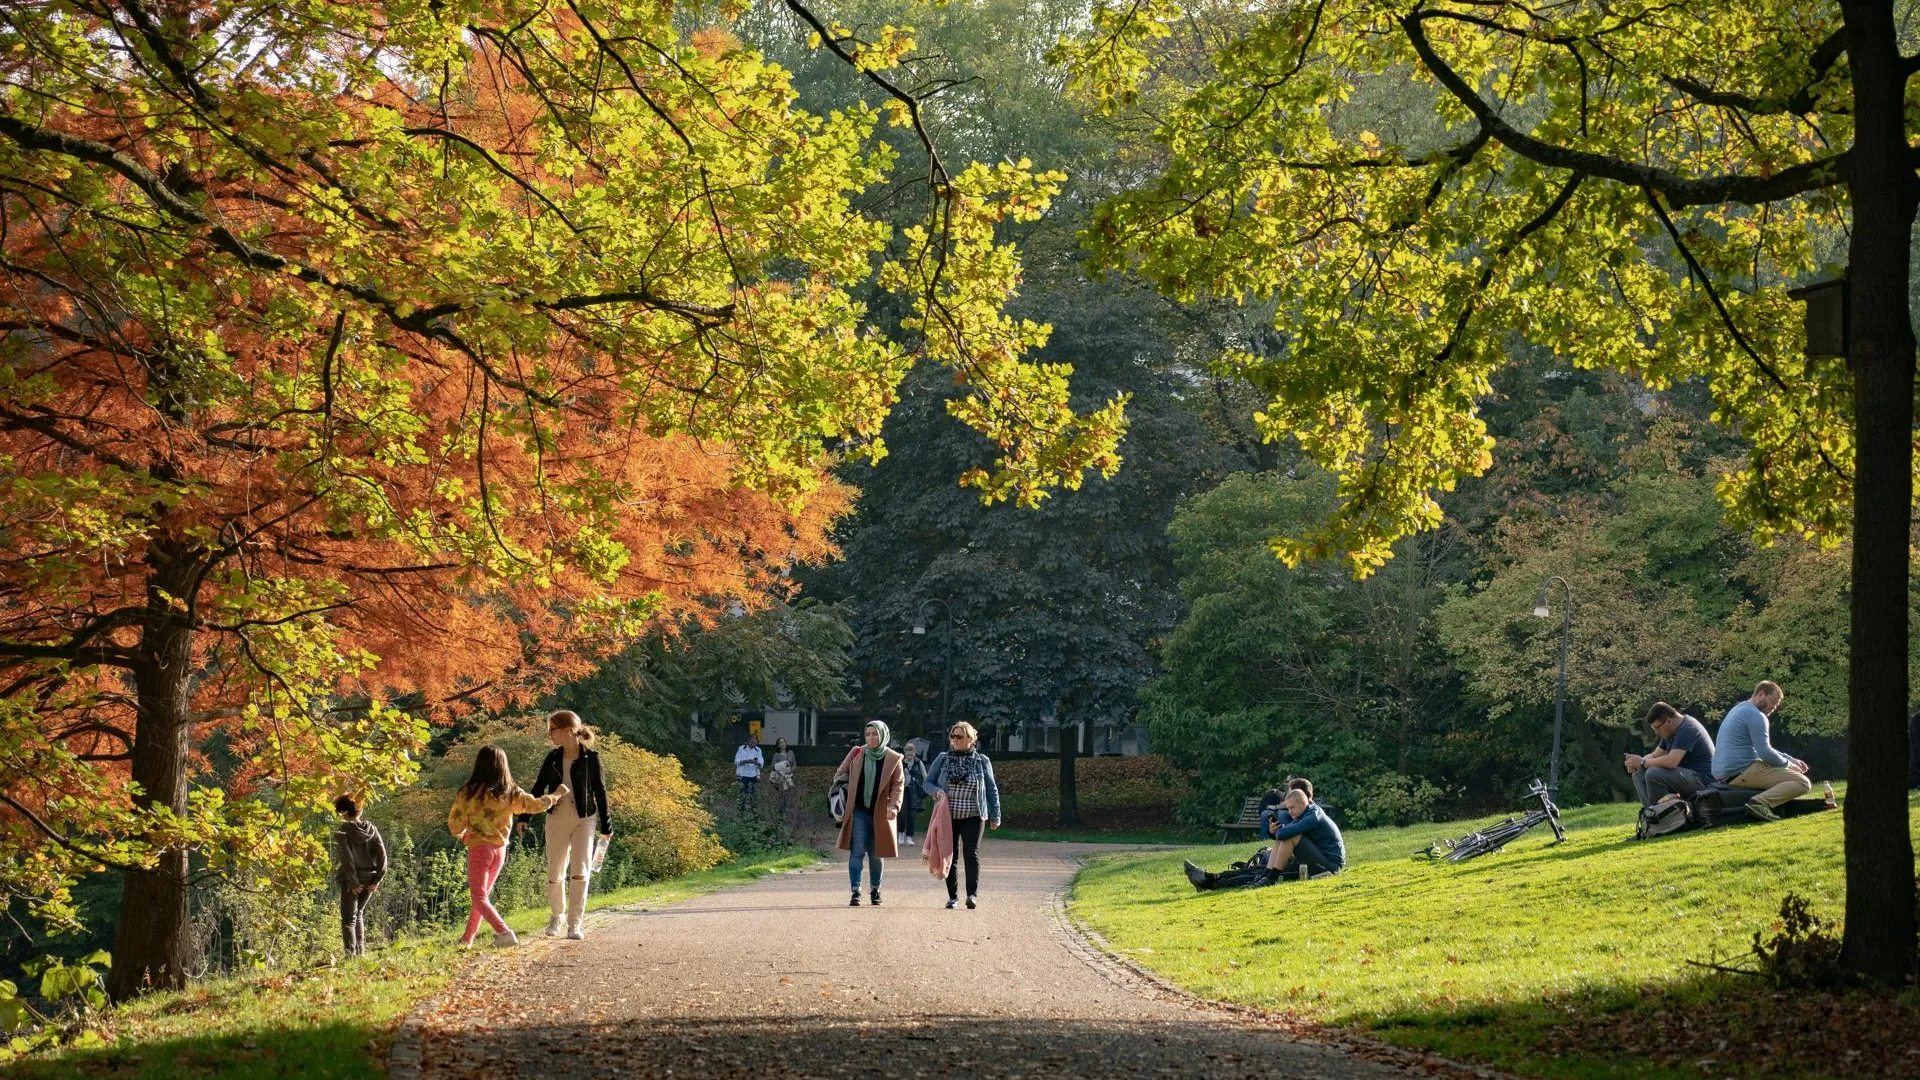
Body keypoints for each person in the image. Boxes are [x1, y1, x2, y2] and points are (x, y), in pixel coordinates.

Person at [449, 745, 566, 948]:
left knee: (479, 897)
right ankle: (467, 940)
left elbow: (455, 824)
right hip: (500, 851)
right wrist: (556, 794)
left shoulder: (469, 793)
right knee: (481, 897)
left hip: (479, 850)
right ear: (503, 766)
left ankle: (504, 932)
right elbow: (535, 805)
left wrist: (462, 834)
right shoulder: (510, 792)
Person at [520, 710, 612, 940]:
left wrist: (606, 826)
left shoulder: (592, 758)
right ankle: (557, 916)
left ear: (567, 730)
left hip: (585, 818)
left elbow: (600, 792)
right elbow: (538, 787)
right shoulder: (552, 758)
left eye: (552, 729)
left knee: (580, 871)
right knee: (555, 870)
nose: (550, 734)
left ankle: (575, 923)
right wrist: (525, 816)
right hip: (557, 815)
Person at [1185, 788, 1344, 890]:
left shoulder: (1313, 816)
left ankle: (1212, 882)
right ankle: (1211, 877)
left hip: (1327, 867)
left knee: (1284, 848)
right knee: (1262, 870)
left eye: (1291, 808)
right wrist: (1274, 833)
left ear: (1303, 803)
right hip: (1312, 860)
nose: (1289, 812)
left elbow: (1286, 835)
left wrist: (1279, 833)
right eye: (1287, 808)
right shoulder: (1306, 812)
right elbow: (1281, 836)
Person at [923, 721, 1001, 910]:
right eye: (953, 736)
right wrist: (937, 792)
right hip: (948, 817)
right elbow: (928, 782)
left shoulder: (982, 762)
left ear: (970, 739)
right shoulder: (943, 759)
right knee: (950, 855)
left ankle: (972, 895)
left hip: (974, 815)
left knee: (971, 853)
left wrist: (995, 815)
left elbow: (991, 790)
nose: (955, 740)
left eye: (959, 737)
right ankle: (953, 897)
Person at [1710, 680, 1813, 822]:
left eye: (1776, 704)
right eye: (1773, 702)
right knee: (1802, 782)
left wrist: (1789, 758)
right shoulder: (1756, 716)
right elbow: (1765, 753)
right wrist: (1789, 765)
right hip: (1740, 771)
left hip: (1727, 771)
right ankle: (1759, 803)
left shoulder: (1740, 709)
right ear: (1761, 694)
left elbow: (1761, 749)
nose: (1774, 707)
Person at [833, 720, 904, 905]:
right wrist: (850, 781)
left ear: (883, 735)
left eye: (875, 734)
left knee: (876, 853)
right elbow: (839, 774)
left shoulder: (894, 758)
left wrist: (894, 806)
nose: (871, 738)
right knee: (856, 852)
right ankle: (855, 891)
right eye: (868, 734)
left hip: (881, 813)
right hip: (858, 811)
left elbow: (898, 786)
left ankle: (875, 890)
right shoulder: (857, 752)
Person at [1626, 702, 1715, 807]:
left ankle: (1663, 816)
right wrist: (1636, 764)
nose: (1656, 732)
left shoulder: (1687, 728)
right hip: (1687, 776)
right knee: (1639, 773)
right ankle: (1650, 814)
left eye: (1657, 728)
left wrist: (1641, 762)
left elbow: (1672, 761)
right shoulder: (1670, 731)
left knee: (1654, 773)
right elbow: (1655, 755)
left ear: (1668, 721)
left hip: (1704, 780)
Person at [332, 794, 387, 957]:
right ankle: (360, 954)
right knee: (359, 914)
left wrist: (353, 882)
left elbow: (347, 858)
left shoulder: (342, 831)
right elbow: (383, 855)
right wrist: (378, 878)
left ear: (342, 812)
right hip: (370, 878)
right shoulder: (371, 828)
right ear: (359, 810)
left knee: (348, 919)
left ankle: (351, 957)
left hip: (352, 881)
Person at [898, 742, 928, 847]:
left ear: (914, 753)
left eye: (912, 755)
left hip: (915, 792)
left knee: (912, 816)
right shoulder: (900, 762)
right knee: (901, 814)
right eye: (908, 754)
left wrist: (927, 788)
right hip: (902, 791)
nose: (910, 757)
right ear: (905, 753)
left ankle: (909, 837)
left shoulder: (919, 763)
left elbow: (925, 777)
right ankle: (900, 834)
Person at [768, 737, 799, 830]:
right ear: (778, 745)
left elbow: (795, 765)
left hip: (789, 778)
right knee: (782, 797)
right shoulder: (776, 755)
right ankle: (780, 817)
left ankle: (788, 818)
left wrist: (790, 771)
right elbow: (772, 767)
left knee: (789, 796)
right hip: (780, 778)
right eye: (780, 742)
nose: (783, 744)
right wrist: (781, 770)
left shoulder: (791, 753)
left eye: (784, 742)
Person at [735, 733, 764, 811]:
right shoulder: (741, 748)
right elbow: (736, 761)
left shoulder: (758, 750)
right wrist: (746, 761)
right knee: (742, 793)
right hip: (743, 775)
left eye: (755, 741)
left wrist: (756, 762)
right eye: (752, 741)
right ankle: (741, 810)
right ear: (748, 741)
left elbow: (761, 763)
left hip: (753, 775)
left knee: (752, 794)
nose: (753, 743)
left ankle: (752, 810)